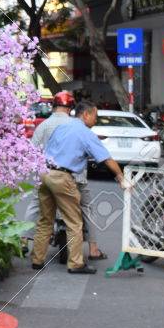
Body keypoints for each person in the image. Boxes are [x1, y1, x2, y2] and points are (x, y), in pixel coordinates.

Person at [30, 102, 128, 274]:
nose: (95, 120)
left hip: (44, 173)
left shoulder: (62, 127)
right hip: (62, 177)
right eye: (95, 117)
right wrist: (121, 178)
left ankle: (37, 260)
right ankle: (75, 263)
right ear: (86, 115)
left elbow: (48, 149)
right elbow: (106, 158)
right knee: (74, 222)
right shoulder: (85, 133)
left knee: (45, 220)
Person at [31, 91, 106, 261]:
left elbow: (32, 149)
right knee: (83, 212)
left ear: (53, 106)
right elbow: (96, 153)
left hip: (46, 174)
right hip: (73, 177)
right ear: (71, 108)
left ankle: (28, 247)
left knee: (40, 213)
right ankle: (91, 250)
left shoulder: (43, 125)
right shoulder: (75, 125)